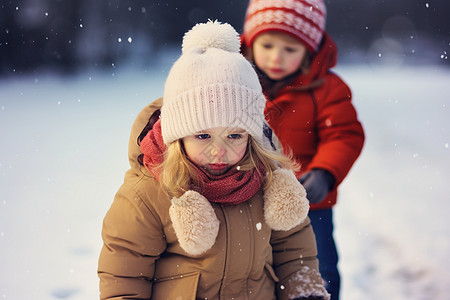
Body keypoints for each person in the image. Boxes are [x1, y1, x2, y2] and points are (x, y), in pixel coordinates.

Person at [98, 20, 331, 300]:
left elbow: (296, 253)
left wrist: (303, 293)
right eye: (203, 136)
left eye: (234, 136)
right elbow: (124, 275)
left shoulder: (269, 180)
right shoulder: (148, 194)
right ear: (178, 137)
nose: (218, 151)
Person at [241, 1, 366, 299]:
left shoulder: (327, 89)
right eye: (267, 44)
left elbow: (344, 135)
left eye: (290, 49)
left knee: (316, 271)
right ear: (249, 42)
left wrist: (324, 173)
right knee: (248, 269)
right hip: (245, 199)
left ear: (309, 50)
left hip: (308, 204)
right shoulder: (236, 83)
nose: (276, 57)